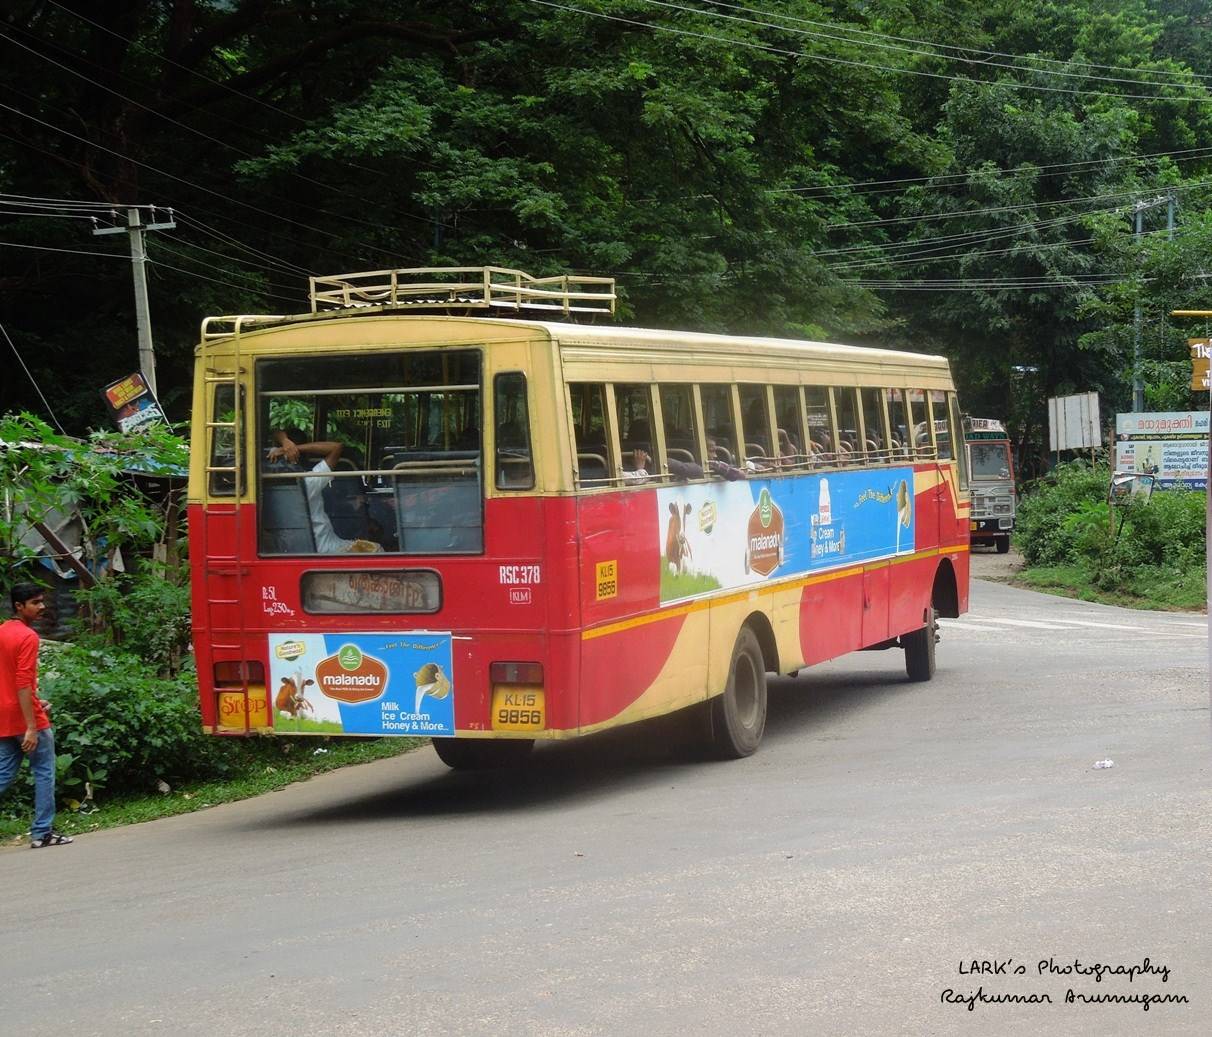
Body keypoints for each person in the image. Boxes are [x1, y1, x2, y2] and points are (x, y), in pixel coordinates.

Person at [0, 582, 71, 848]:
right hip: (26, 720)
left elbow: (9, 681)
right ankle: (42, 833)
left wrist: (35, 700)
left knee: (3, 775)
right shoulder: (28, 637)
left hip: (5, 715)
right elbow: (21, 682)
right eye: (35, 603)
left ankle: (43, 832)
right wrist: (31, 724)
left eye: (42, 601)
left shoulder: (2, 632)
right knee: (44, 772)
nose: (42, 607)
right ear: (19, 606)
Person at [267, 430, 382, 553]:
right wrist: (295, 448)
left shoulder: (272, 470)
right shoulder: (308, 482)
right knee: (378, 550)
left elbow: (276, 432)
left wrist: (285, 442)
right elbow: (337, 447)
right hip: (324, 548)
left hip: (291, 548)